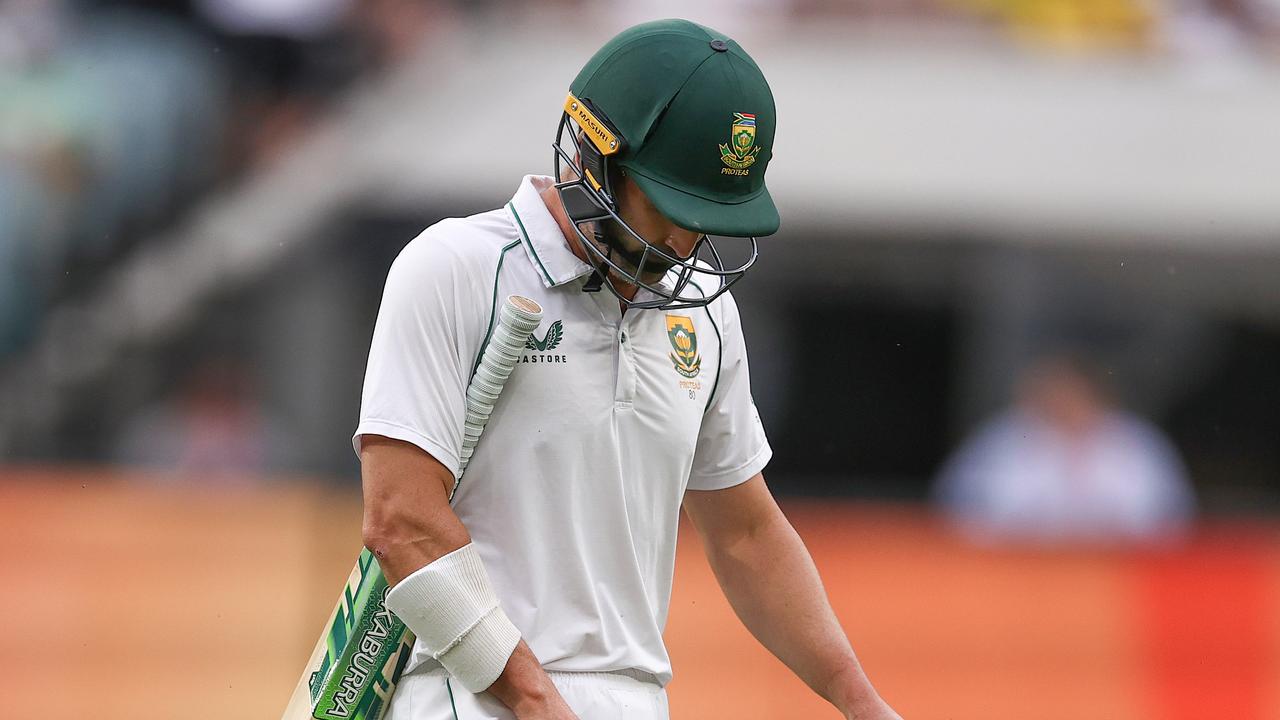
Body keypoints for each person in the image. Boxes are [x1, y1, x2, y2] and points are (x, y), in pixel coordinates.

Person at [355, 19, 902, 720]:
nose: (685, 240)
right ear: (595, 157)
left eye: (706, 215)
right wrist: (534, 698)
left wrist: (859, 701)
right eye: (671, 206)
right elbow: (400, 518)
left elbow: (745, 535)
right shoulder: (457, 268)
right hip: (468, 691)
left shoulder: (704, 316)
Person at [934, 353, 1196, 543]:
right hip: (1017, 569)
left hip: (1117, 573)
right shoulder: (1005, 437)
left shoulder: (1136, 441)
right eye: (1058, 393)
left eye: (1074, 394)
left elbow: (1167, 516)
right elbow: (960, 505)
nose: (1065, 403)